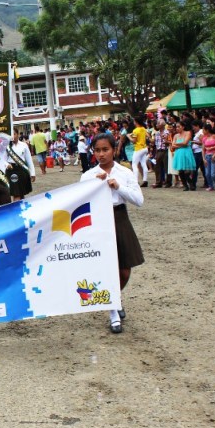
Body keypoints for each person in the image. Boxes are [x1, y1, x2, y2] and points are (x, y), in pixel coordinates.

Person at [80, 133, 144, 334]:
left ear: (114, 149)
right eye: (97, 150)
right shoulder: (88, 175)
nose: (101, 154)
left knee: (124, 269)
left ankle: (114, 298)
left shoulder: (124, 173)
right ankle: (113, 310)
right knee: (105, 268)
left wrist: (117, 185)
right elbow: (80, 203)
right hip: (98, 221)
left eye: (105, 149)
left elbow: (138, 200)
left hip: (119, 218)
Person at [7, 129, 36, 202]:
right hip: (12, 171)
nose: (12, 136)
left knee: (21, 192)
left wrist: (33, 173)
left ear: (18, 134)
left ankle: (22, 209)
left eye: (14, 134)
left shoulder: (24, 145)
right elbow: (3, 159)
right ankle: (17, 210)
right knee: (16, 193)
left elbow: (29, 159)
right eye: (11, 134)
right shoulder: (6, 146)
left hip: (22, 170)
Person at [171, 121, 197, 191]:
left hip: (186, 153)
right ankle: (185, 185)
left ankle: (190, 183)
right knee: (180, 170)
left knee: (187, 170)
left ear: (183, 127)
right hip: (179, 153)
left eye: (179, 126)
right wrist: (180, 144)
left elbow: (185, 143)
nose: (177, 128)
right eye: (176, 127)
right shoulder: (176, 135)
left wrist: (178, 144)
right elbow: (173, 145)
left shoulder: (188, 133)